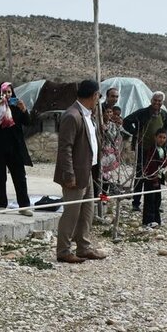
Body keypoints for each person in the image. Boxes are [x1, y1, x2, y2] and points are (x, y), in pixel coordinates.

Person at [54, 79, 107, 264]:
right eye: (98, 96)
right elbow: (65, 148)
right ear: (93, 96)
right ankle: (63, 250)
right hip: (75, 174)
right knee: (71, 213)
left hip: (88, 172)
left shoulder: (88, 115)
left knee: (87, 212)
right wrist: (69, 174)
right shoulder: (72, 115)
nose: (98, 100)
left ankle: (83, 247)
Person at [0, 82, 33, 215]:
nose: (7, 95)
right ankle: (1, 204)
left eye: (9, 92)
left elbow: (28, 122)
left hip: (15, 148)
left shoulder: (17, 107)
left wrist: (24, 110)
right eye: (4, 92)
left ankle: (24, 206)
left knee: (20, 177)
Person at [122, 92, 167, 208]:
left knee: (156, 175)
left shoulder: (164, 115)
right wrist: (136, 133)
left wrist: (164, 137)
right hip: (143, 148)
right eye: (155, 100)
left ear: (162, 102)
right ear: (151, 100)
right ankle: (136, 203)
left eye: (159, 101)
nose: (157, 102)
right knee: (140, 175)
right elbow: (126, 121)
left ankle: (154, 204)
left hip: (157, 150)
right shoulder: (143, 113)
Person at [139, 130, 167, 228]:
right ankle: (148, 220)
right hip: (151, 179)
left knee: (157, 199)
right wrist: (154, 178)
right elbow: (150, 165)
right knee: (150, 200)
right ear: (155, 137)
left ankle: (156, 220)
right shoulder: (151, 150)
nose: (162, 139)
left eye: (164, 138)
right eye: (160, 137)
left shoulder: (163, 150)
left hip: (158, 178)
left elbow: (164, 163)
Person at [98, 105, 126, 198]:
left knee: (107, 177)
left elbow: (114, 138)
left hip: (109, 154)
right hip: (100, 153)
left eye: (111, 112)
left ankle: (104, 197)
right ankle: (96, 196)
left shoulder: (113, 125)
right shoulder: (98, 124)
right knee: (98, 176)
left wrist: (106, 131)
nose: (109, 114)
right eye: (107, 112)